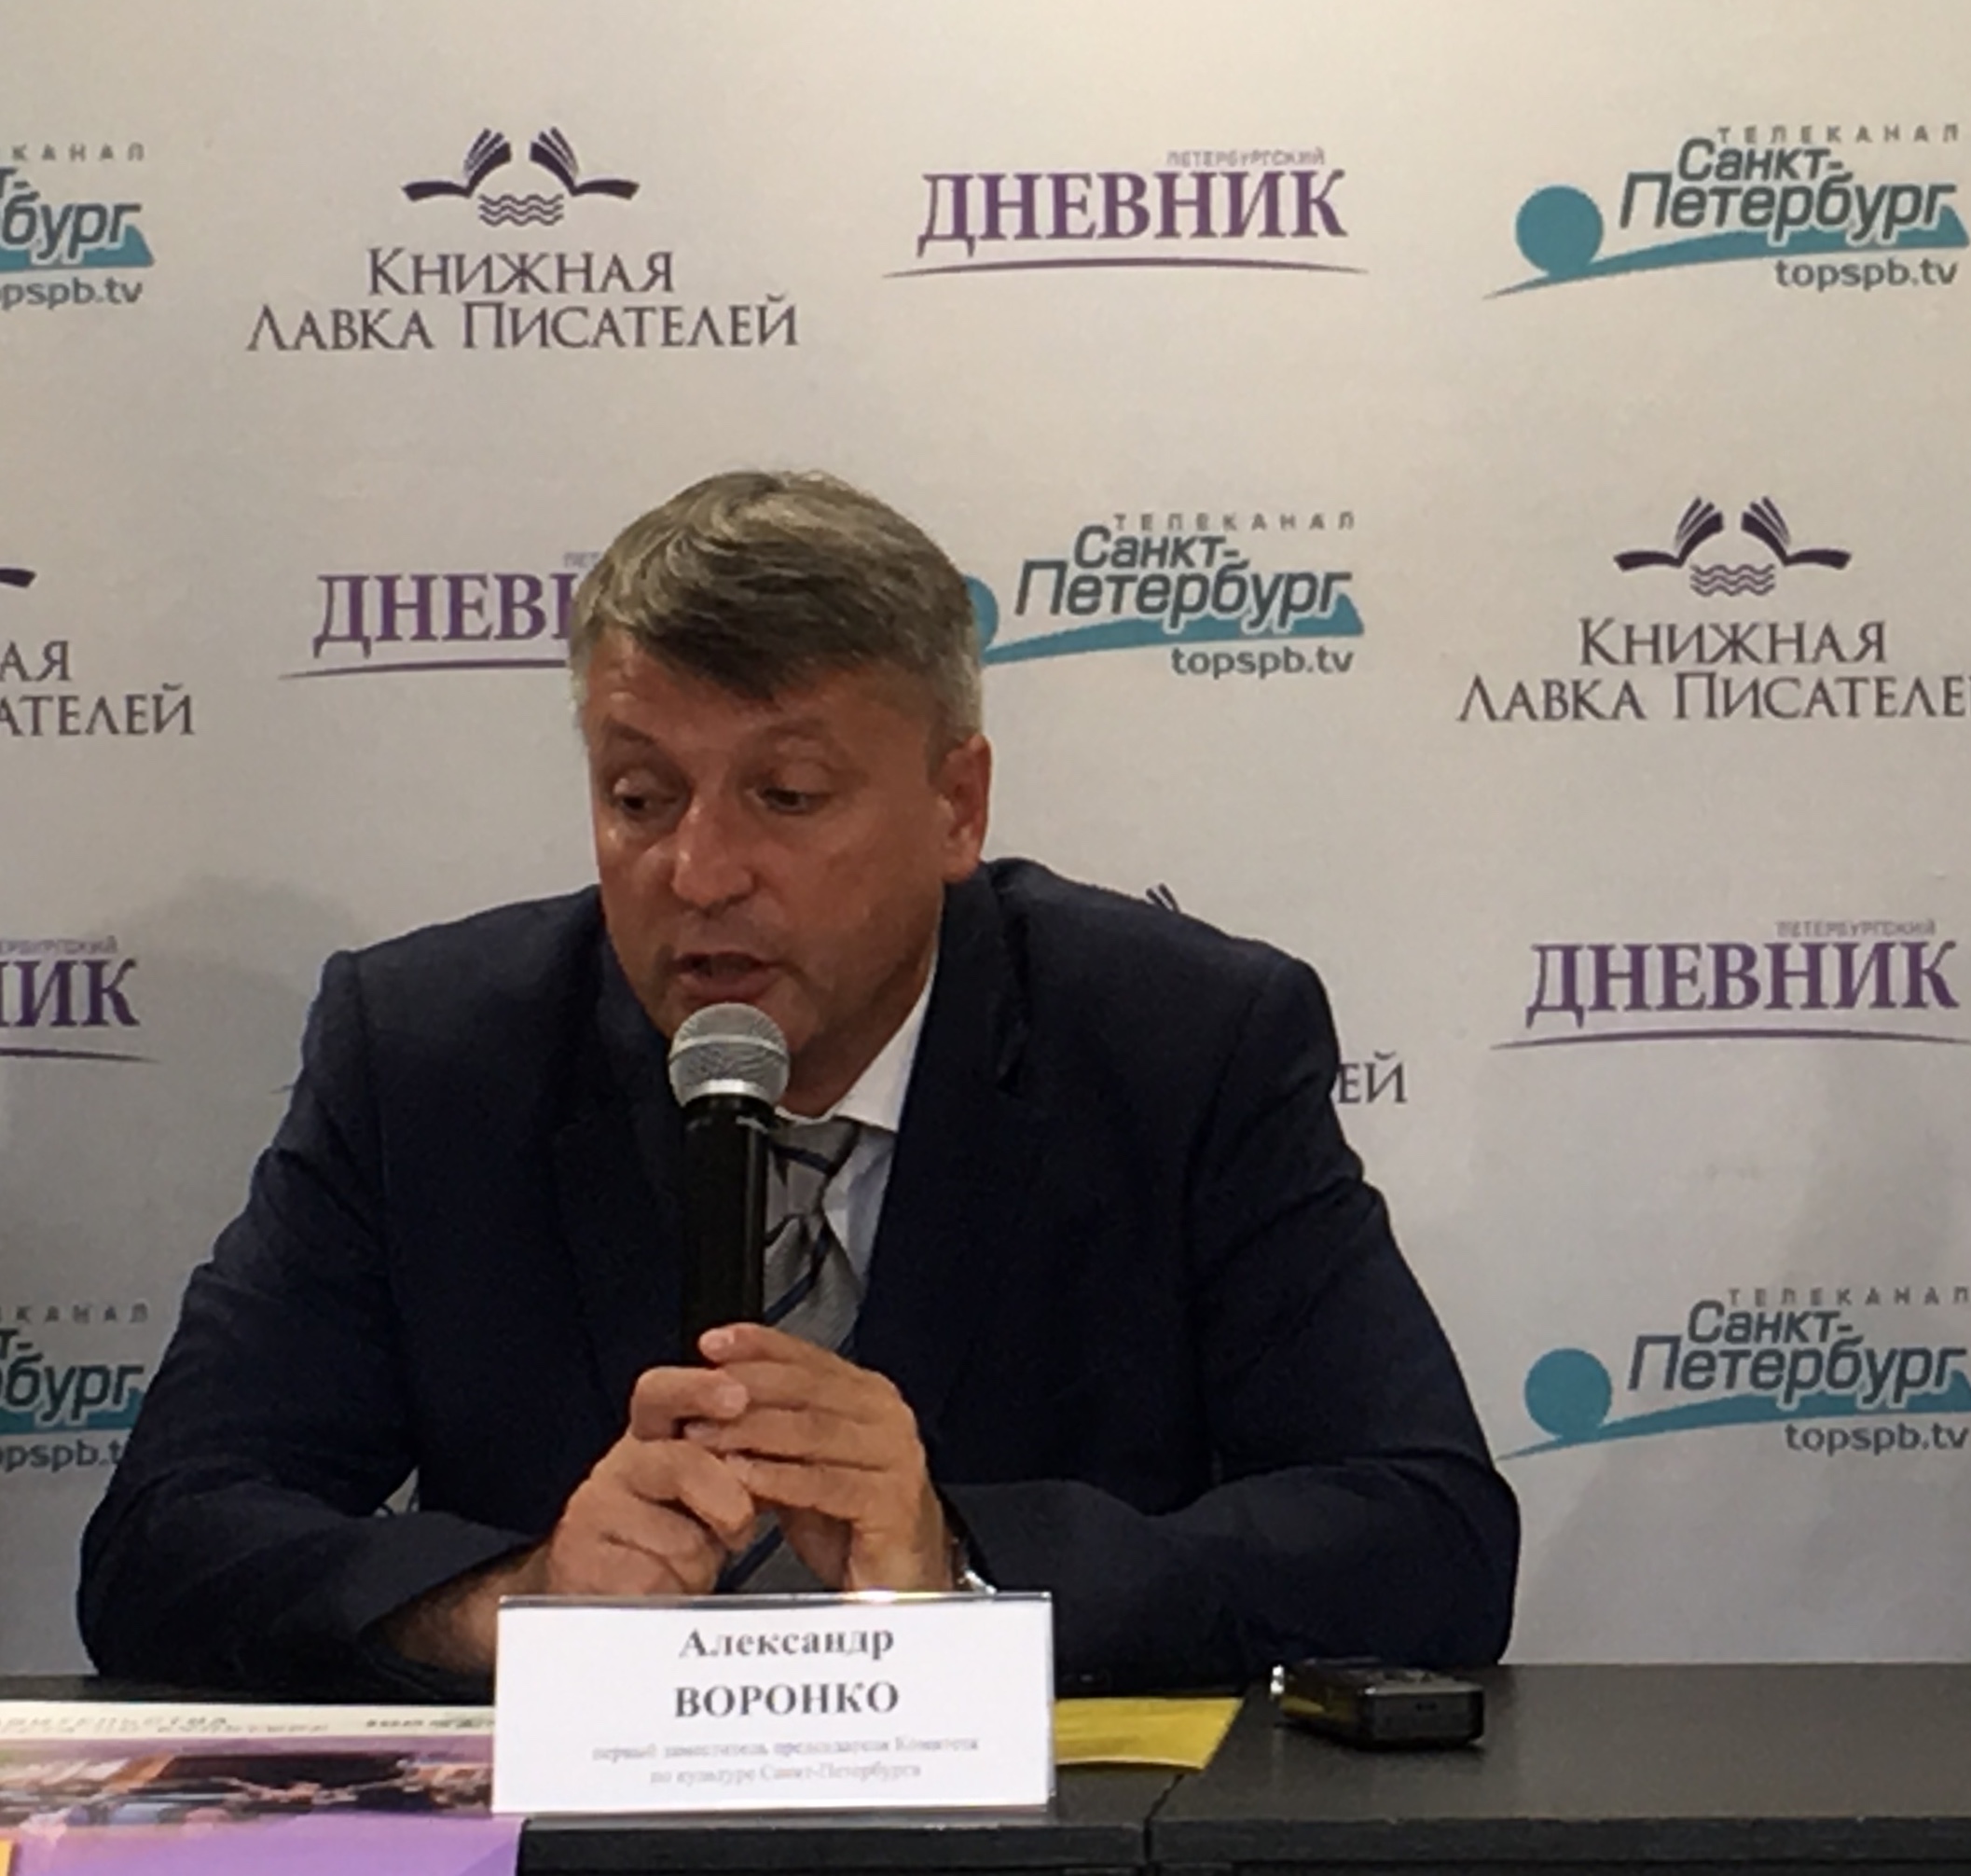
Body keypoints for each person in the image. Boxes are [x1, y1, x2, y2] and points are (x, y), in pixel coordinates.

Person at [81, 470, 1517, 1697]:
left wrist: (960, 1572)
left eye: (787, 796)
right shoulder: (430, 1055)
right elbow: (166, 1540)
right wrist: (521, 1604)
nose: (699, 872)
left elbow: (1427, 1538)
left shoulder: (1180, 1046)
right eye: (639, 797)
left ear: (956, 805)